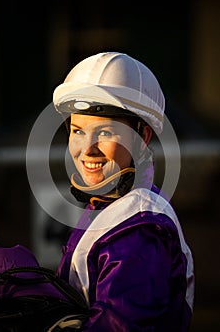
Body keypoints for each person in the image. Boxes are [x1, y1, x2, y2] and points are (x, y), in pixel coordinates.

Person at [52, 51, 195, 331]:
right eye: (78, 130)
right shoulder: (110, 206)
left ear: (142, 137)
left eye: (105, 132)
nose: (87, 148)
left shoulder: (138, 231)